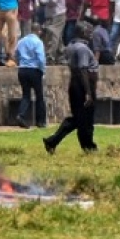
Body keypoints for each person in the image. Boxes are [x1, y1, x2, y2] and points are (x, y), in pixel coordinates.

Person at [44, 23, 99, 154]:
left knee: (78, 118)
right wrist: (88, 92)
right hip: (83, 85)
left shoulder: (70, 46)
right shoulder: (82, 49)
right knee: (85, 118)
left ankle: (53, 141)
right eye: (88, 31)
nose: (91, 33)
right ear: (82, 33)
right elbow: (83, 69)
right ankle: (88, 146)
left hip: (74, 84)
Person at [14, 28, 48, 129]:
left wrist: (21, 62)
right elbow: (41, 59)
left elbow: (16, 54)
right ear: (38, 31)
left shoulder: (21, 41)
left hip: (22, 70)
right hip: (34, 70)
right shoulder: (38, 42)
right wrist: (42, 70)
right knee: (39, 96)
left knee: (26, 95)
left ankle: (21, 115)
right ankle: (40, 121)